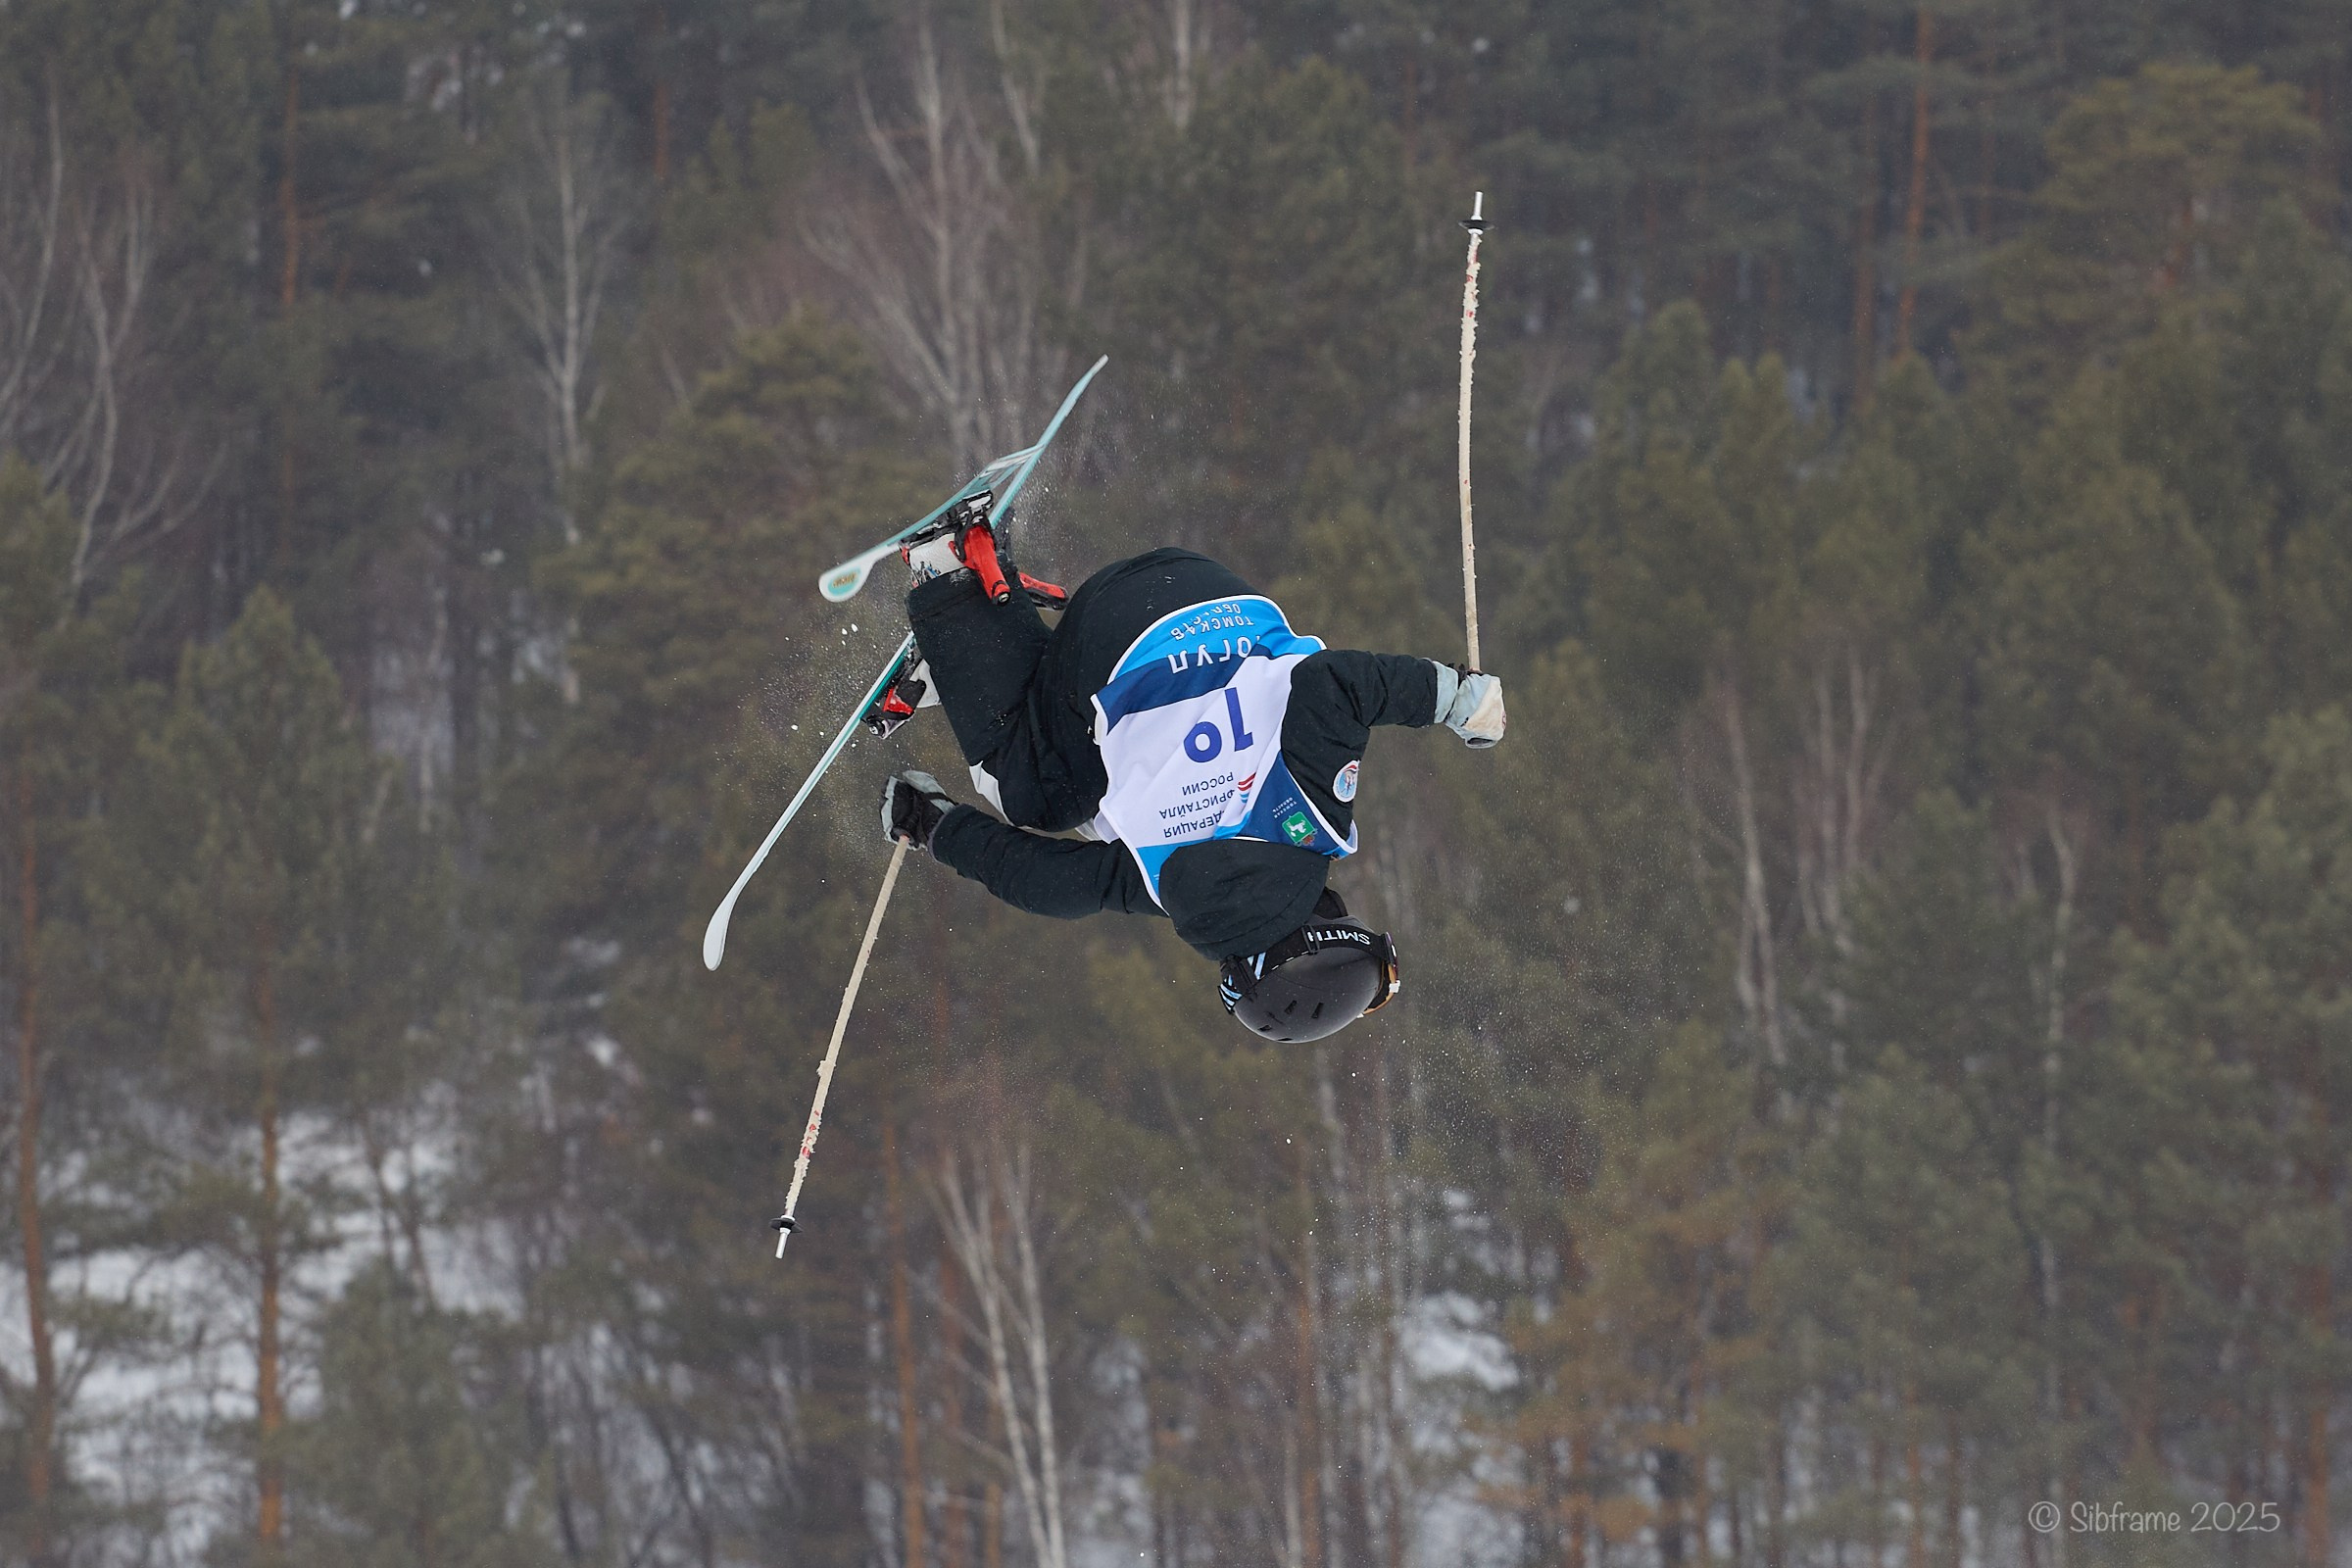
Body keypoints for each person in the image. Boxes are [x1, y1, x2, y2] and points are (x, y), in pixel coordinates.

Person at [874, 518, 1505, 1043]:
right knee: (1037, 794)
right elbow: (1049, 882)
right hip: (1112, 630)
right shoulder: (1171, 880)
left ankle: (973, 655)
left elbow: (1331, 683)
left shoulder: (1312, 816)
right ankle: (954, 582)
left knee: (1095, 769)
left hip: (1205, 588)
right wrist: (934, 825)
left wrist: (1452, 701)